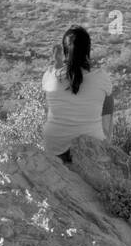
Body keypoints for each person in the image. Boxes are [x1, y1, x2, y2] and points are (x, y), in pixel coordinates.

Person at [42, 25, 114, 164]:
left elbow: (53, 104)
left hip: (54, 149)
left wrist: (57, 63)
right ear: (88, 51)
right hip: (89, 150)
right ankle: (106, 144)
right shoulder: (101, 77)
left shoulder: (49, 76)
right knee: (108, 98)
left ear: (64, 52)